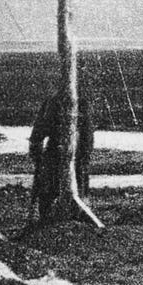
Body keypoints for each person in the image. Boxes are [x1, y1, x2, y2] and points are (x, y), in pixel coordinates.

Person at [29, 82, 96, 221]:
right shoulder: (54, 102)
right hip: (58, 153)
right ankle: (49, 219)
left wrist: (84, 155)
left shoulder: (79, 103)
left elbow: (88, 135)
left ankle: (71, 218)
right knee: (49, 190)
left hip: (72, 154)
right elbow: (38, 132)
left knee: (66, 186)